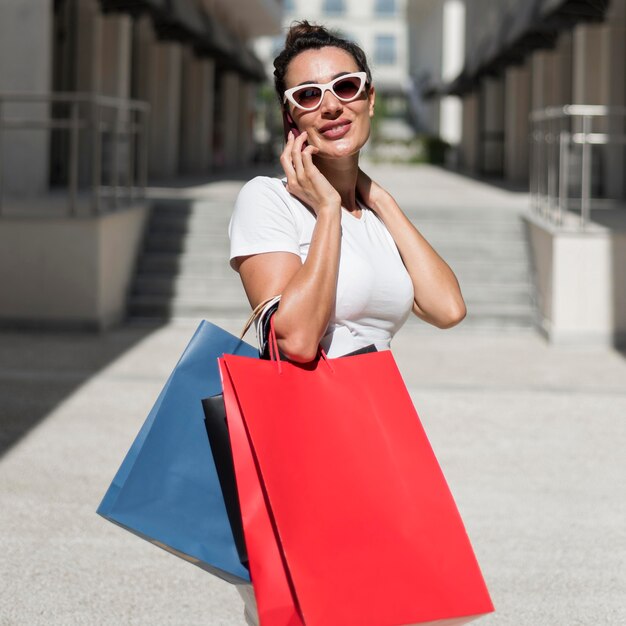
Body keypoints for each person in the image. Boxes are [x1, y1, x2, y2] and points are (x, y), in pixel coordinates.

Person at [228, 21, 466, 625]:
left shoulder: (376, 211)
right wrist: (329, 210)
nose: (330, 104)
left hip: (372, 428)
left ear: (370, 97)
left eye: (346, 85)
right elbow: (298, 339)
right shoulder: (267, 200)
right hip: (304, 441)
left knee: (395, 607)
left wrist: (376, 198)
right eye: (307, 95)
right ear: (290, 116)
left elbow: (446, 308)